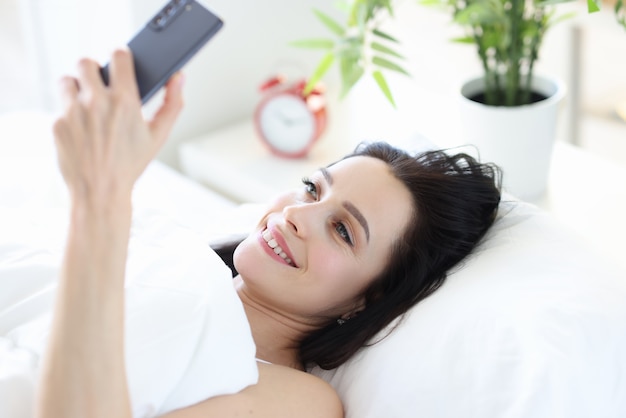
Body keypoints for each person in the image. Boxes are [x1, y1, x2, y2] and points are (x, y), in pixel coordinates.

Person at [36, 48, 501, 418]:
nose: (299, 216)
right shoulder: (163, 245)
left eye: (342, 230)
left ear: (368, 299)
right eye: (311, 188)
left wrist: (99, 201)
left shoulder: (297, 402)